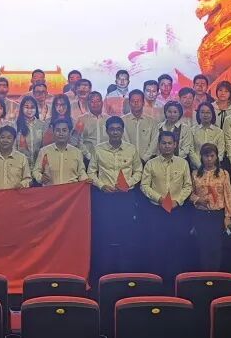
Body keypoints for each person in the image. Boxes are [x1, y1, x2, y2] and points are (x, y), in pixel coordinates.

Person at [88, 116, 142, 276]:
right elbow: (91, 172)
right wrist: (101, 185)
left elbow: (139, 171)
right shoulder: (99, 149)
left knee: (126, 233)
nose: (115, 132)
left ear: (122, 131)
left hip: (126, 197)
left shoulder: (131, 149)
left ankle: (125, 271)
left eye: (118, 129)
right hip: (105, 198)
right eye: (112, 129)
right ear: (107, 131)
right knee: (105, 232)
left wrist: (128, 184)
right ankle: (105, 271)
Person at [140, 131, 193, 281]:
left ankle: (176, 279)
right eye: (164, 143)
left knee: (177, 244)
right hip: (156, 210)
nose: (167, 146)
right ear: (159, 145)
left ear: (175, 145)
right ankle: (156, 279)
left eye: (170, 143)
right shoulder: (151, 163)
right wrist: (159, 199)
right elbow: (144, 186)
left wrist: (178, 201)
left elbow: (188, 186)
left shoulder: (183, 163)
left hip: (177, 210)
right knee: (156, 244)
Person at [190, 143, 231, 271]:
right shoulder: (195, 174)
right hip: (201, 215)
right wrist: (199, 199)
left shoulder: (223, 174)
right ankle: (204, 276)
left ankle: (215, 275)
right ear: (201, 157)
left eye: (212, 156)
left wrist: (228, 216)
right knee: (202, 246)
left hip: (217, 215)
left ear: (216, 157)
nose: (209, 159)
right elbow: (190, 194)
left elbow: (228, 196)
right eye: (206, 156)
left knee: (216, 247)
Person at [34, 118, 88, 185]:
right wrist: (40, 178)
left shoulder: (77, 152)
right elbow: (36, 171)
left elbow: (81, 173)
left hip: (71, 190)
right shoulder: (44, 151)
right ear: (53, 132)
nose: (61, 133)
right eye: (58, 130)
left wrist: (86, 180)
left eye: (64, 130)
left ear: (69, 132)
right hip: (51, 189)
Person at [123, 90, 158, 162]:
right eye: (133, 101)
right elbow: (122, 142)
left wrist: (144, 159)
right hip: (127, 161)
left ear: (143, 103)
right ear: (129, 103)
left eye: (138, 100)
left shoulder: (152, 122)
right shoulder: (122, 121)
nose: (136, 103)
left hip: (147, 162)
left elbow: (154, 143)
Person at [77, 92, 110, 163]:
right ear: (88, 103)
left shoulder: (109, 119)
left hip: (106, 159)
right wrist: (87, 155)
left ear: (102, 102)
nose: (95, 104)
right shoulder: (81, 119)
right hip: (86, 159)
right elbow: (77, 140)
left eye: (98, 101)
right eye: (92, 101)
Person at [192, 103, 225, 170]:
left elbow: (221, 152)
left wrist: (213, 165)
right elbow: (191, 151)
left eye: (208, 112)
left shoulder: (219, 132)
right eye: (202, 112)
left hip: (215, 168)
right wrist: (200, 166)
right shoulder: (192, 131)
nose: (205, 115)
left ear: (212, 114)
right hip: (196, 167)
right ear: (198, 114)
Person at [17, 96, 49, 166]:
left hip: (38, 166)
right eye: (26, 107)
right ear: (22, 108)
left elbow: (45, 147)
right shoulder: (15, 125)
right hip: (20, 165)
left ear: (36, 109)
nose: (29, 110)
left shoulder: (42, 125)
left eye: (32, 107)